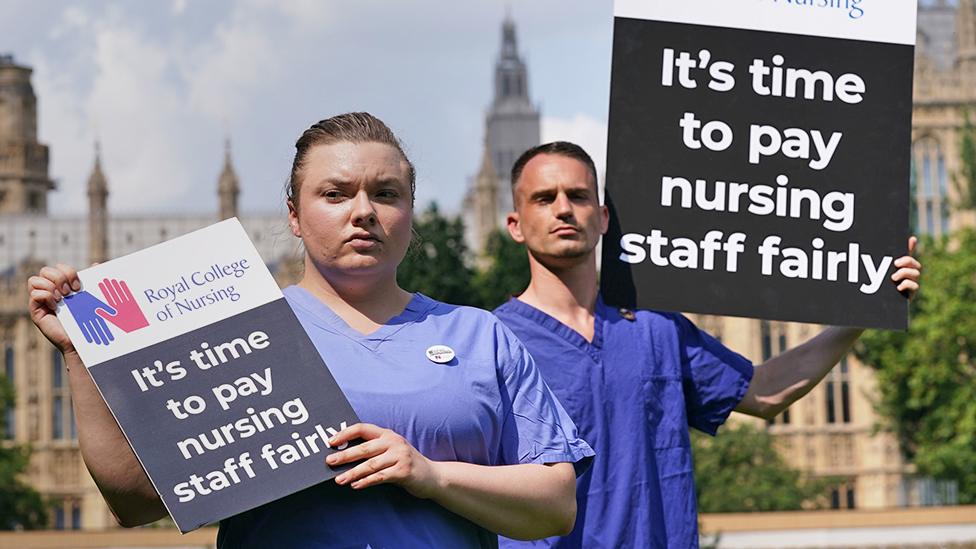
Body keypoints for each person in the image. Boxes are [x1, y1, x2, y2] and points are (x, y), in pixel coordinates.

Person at [27, 114, 594, 548]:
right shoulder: (237, 331)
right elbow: (134, 498)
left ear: (411, 213)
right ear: (294, 215)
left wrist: (430, 475)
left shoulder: (479, 336)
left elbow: (554, 504)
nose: (364, 211)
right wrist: (81, 353)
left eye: (387, 193)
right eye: (336, 194)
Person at [493, 141, 922, 548]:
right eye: (545, 198)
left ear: (604, 217)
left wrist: (867, 310)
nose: (564, 208)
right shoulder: (493, 342)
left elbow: (765, 391)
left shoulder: (656, 326)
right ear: (515, 224)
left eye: (579, 195)